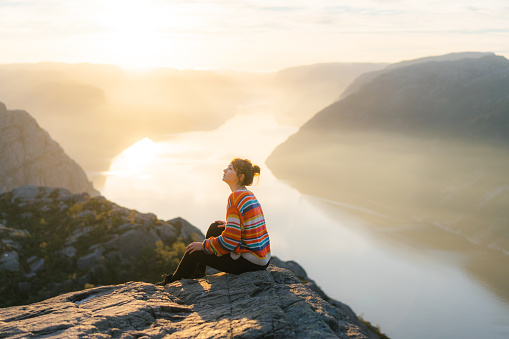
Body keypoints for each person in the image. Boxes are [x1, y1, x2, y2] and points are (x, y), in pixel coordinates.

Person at [157, 158, 271, 285]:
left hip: (250, 263)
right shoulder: (248, 195)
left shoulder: (235, 198)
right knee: (215, 227)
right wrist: (230, 226)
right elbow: (252, 224)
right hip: (261, 259)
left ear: (240, 177)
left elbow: (230, 242)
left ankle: (172, 282)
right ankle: (198, 272)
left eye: (230, 168)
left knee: (193, 252)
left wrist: (203, 246)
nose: (224, 170)